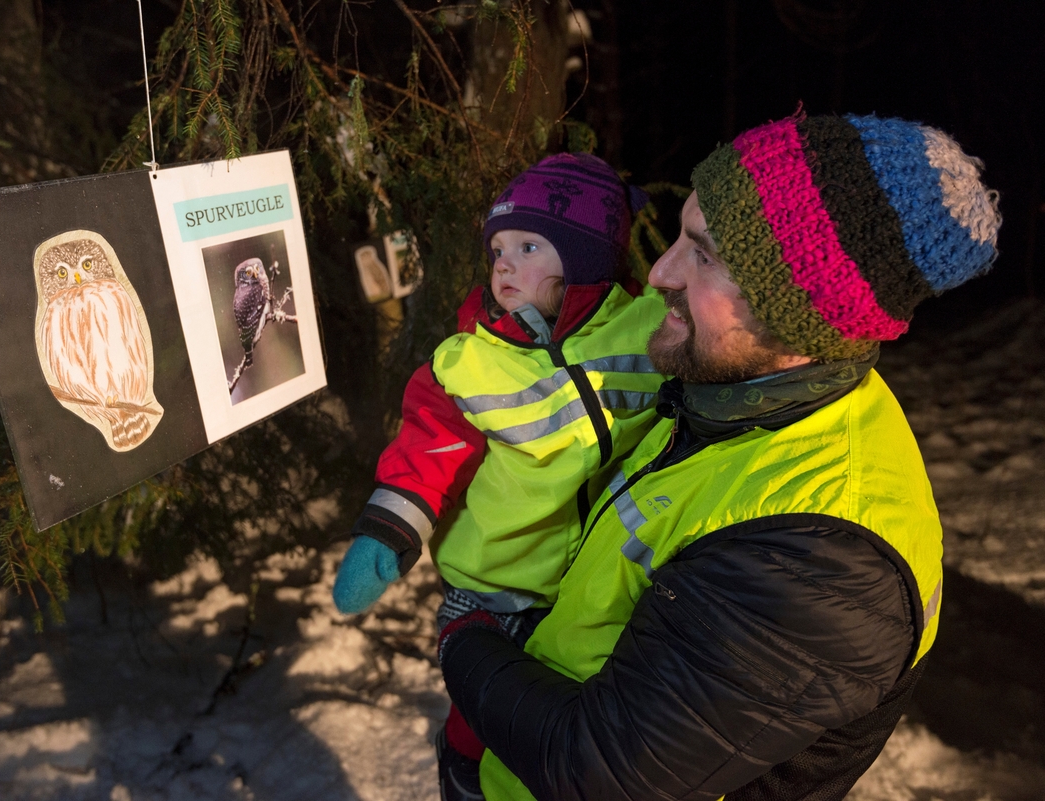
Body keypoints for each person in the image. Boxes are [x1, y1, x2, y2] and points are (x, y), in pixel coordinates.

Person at [436, 112, 1001, 801]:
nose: (660, 273)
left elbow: (598, 768)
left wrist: (467, 639)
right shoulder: (733, 390)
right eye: (678, 235)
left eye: (704, 256)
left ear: (802, 316)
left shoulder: (821, 561)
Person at [330, 153, 670, 794]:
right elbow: (424, 451)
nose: (504, 264)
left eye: (529, 245)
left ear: (588, 258)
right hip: (497, 581)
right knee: (489, 703)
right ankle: (462, 764)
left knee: (579, 708)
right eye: (497, 251)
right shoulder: (470, 363)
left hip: (606, 573)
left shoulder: (649, 329)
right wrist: (386, 534)